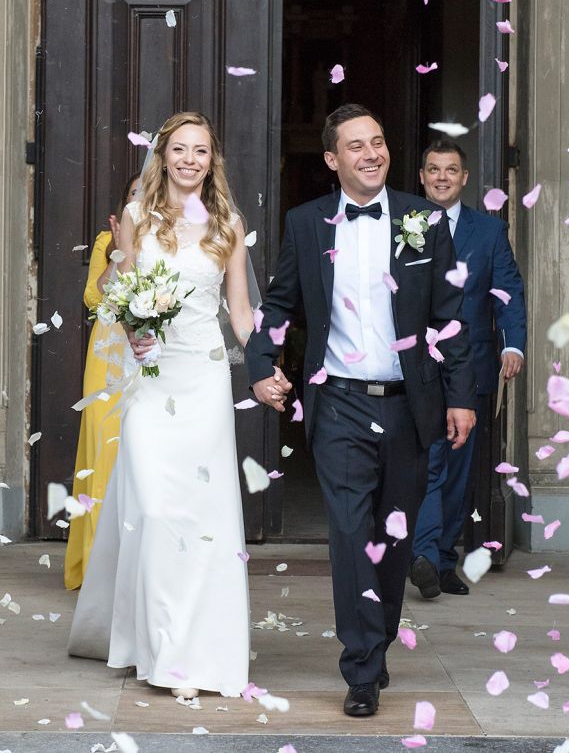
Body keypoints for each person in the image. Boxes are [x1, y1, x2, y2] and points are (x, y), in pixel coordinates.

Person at [245, 104, 477, 717]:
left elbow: (450, 314)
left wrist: (460, 396)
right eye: (356, 146)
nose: (372, 153)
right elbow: (279, 303)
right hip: (340, 402)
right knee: (350, 537)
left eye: (378, 142)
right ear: (332, 159)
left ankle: (376, 644)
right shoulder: (306, 223)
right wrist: (259, 363)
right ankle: (363, 669)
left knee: (392, 541)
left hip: (407, 405)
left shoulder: (423, 220)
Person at [68, 112, 256, 699]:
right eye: (180, 149)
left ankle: (187, 655)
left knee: (202, 520)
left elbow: (242, 313)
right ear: (163, 155)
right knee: (151, 513)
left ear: (212, 160)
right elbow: (116, 296)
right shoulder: (135, 221)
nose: (189, 159)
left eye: (201, 150)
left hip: (203, 382)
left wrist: (272, 366)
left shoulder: (228, 225)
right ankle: (153, 640)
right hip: (150, 385)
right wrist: (132, 331)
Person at [410, 139, 526, 599]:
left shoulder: (489, 232)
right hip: (416, 368)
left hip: (473, 366)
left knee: (456, 474)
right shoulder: (402, 225)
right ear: (421, 177)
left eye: (451, 170)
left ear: (464, 178)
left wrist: (511, 345)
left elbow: (508, 293)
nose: (441, 177)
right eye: (433, 169)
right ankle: (422, 556)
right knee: (428, 465)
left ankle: (439, 561)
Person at [64, 171, 141, 590]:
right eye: (133, 193)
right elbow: (94, 298)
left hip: (153, 353)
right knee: (104, 449)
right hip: (110, 354)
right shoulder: (104, 241)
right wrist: (115, 252)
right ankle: (98, 572)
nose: (141, 199)